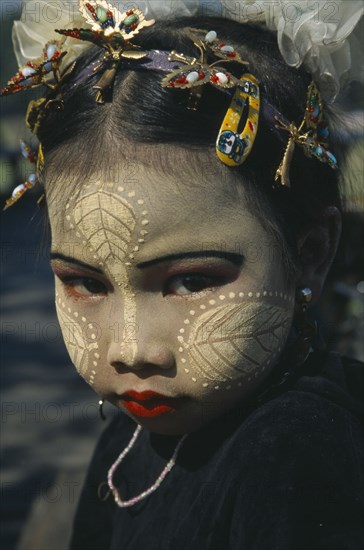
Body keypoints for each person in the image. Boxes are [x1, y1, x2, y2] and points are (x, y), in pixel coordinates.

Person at [1, 1, 363, 548]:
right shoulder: (139, 427)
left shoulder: (291, 455)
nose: (132, 349)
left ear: (309, 252)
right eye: (87, 283)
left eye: (191, 282)